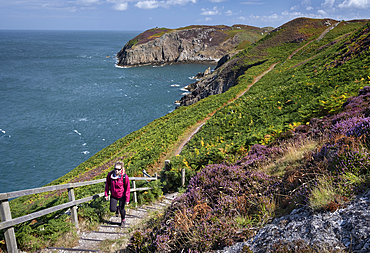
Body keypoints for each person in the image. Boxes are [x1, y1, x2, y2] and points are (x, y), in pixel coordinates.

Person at [105, 161, 130, 228]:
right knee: (112, 209)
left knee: (122, 209)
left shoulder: (125, 177)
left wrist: (127, 199)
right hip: (114, 195)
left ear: (121, 169)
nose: (116, 170)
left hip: (122, 195)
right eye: (115, 169)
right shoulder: (110, 175)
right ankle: (117, 209)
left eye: (118, 169)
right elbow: (107, 184)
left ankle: (123, 220)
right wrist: (106, 194)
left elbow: (127, 188)